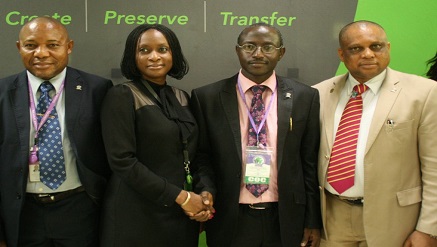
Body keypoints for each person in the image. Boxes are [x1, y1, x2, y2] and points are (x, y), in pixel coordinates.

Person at [190, 23, 322, 247]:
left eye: (268, 47)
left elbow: (308, 162)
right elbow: (202, 157)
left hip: (286, 218)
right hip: (230, 217)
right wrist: (205, 190)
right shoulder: (207, 97)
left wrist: (312, 219)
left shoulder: (304, 97)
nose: (258, 54)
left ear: (281, 53)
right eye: (249, 46)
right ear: (237, 50)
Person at [314, 20, 437, 247]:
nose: (368, 54)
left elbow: (434, 167)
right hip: (332, 220)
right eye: (356, 49)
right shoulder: (319, 93)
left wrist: (428, 229)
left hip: (396, 220)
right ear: (342, 54)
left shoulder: (425, 93)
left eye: (376, 46)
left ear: (388, 48)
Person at [0, 16, 112, 247]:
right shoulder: (2, 92)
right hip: (22, 214)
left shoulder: (97, 89)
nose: (41, 53)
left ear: (68, 47)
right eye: (31, 45)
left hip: (79, 209)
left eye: (52, 45)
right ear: (19, 47)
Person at [99, 24, 215, 247]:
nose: (154, 57)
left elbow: (198, 154)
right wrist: (182, 197)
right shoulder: (121, 96)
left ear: (174, 54)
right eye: (144, 50)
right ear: (133, 56)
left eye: (162, 49)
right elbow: (122, 162)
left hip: (181, 215)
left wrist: (206, 194)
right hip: (135, 216)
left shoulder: (182, 97)